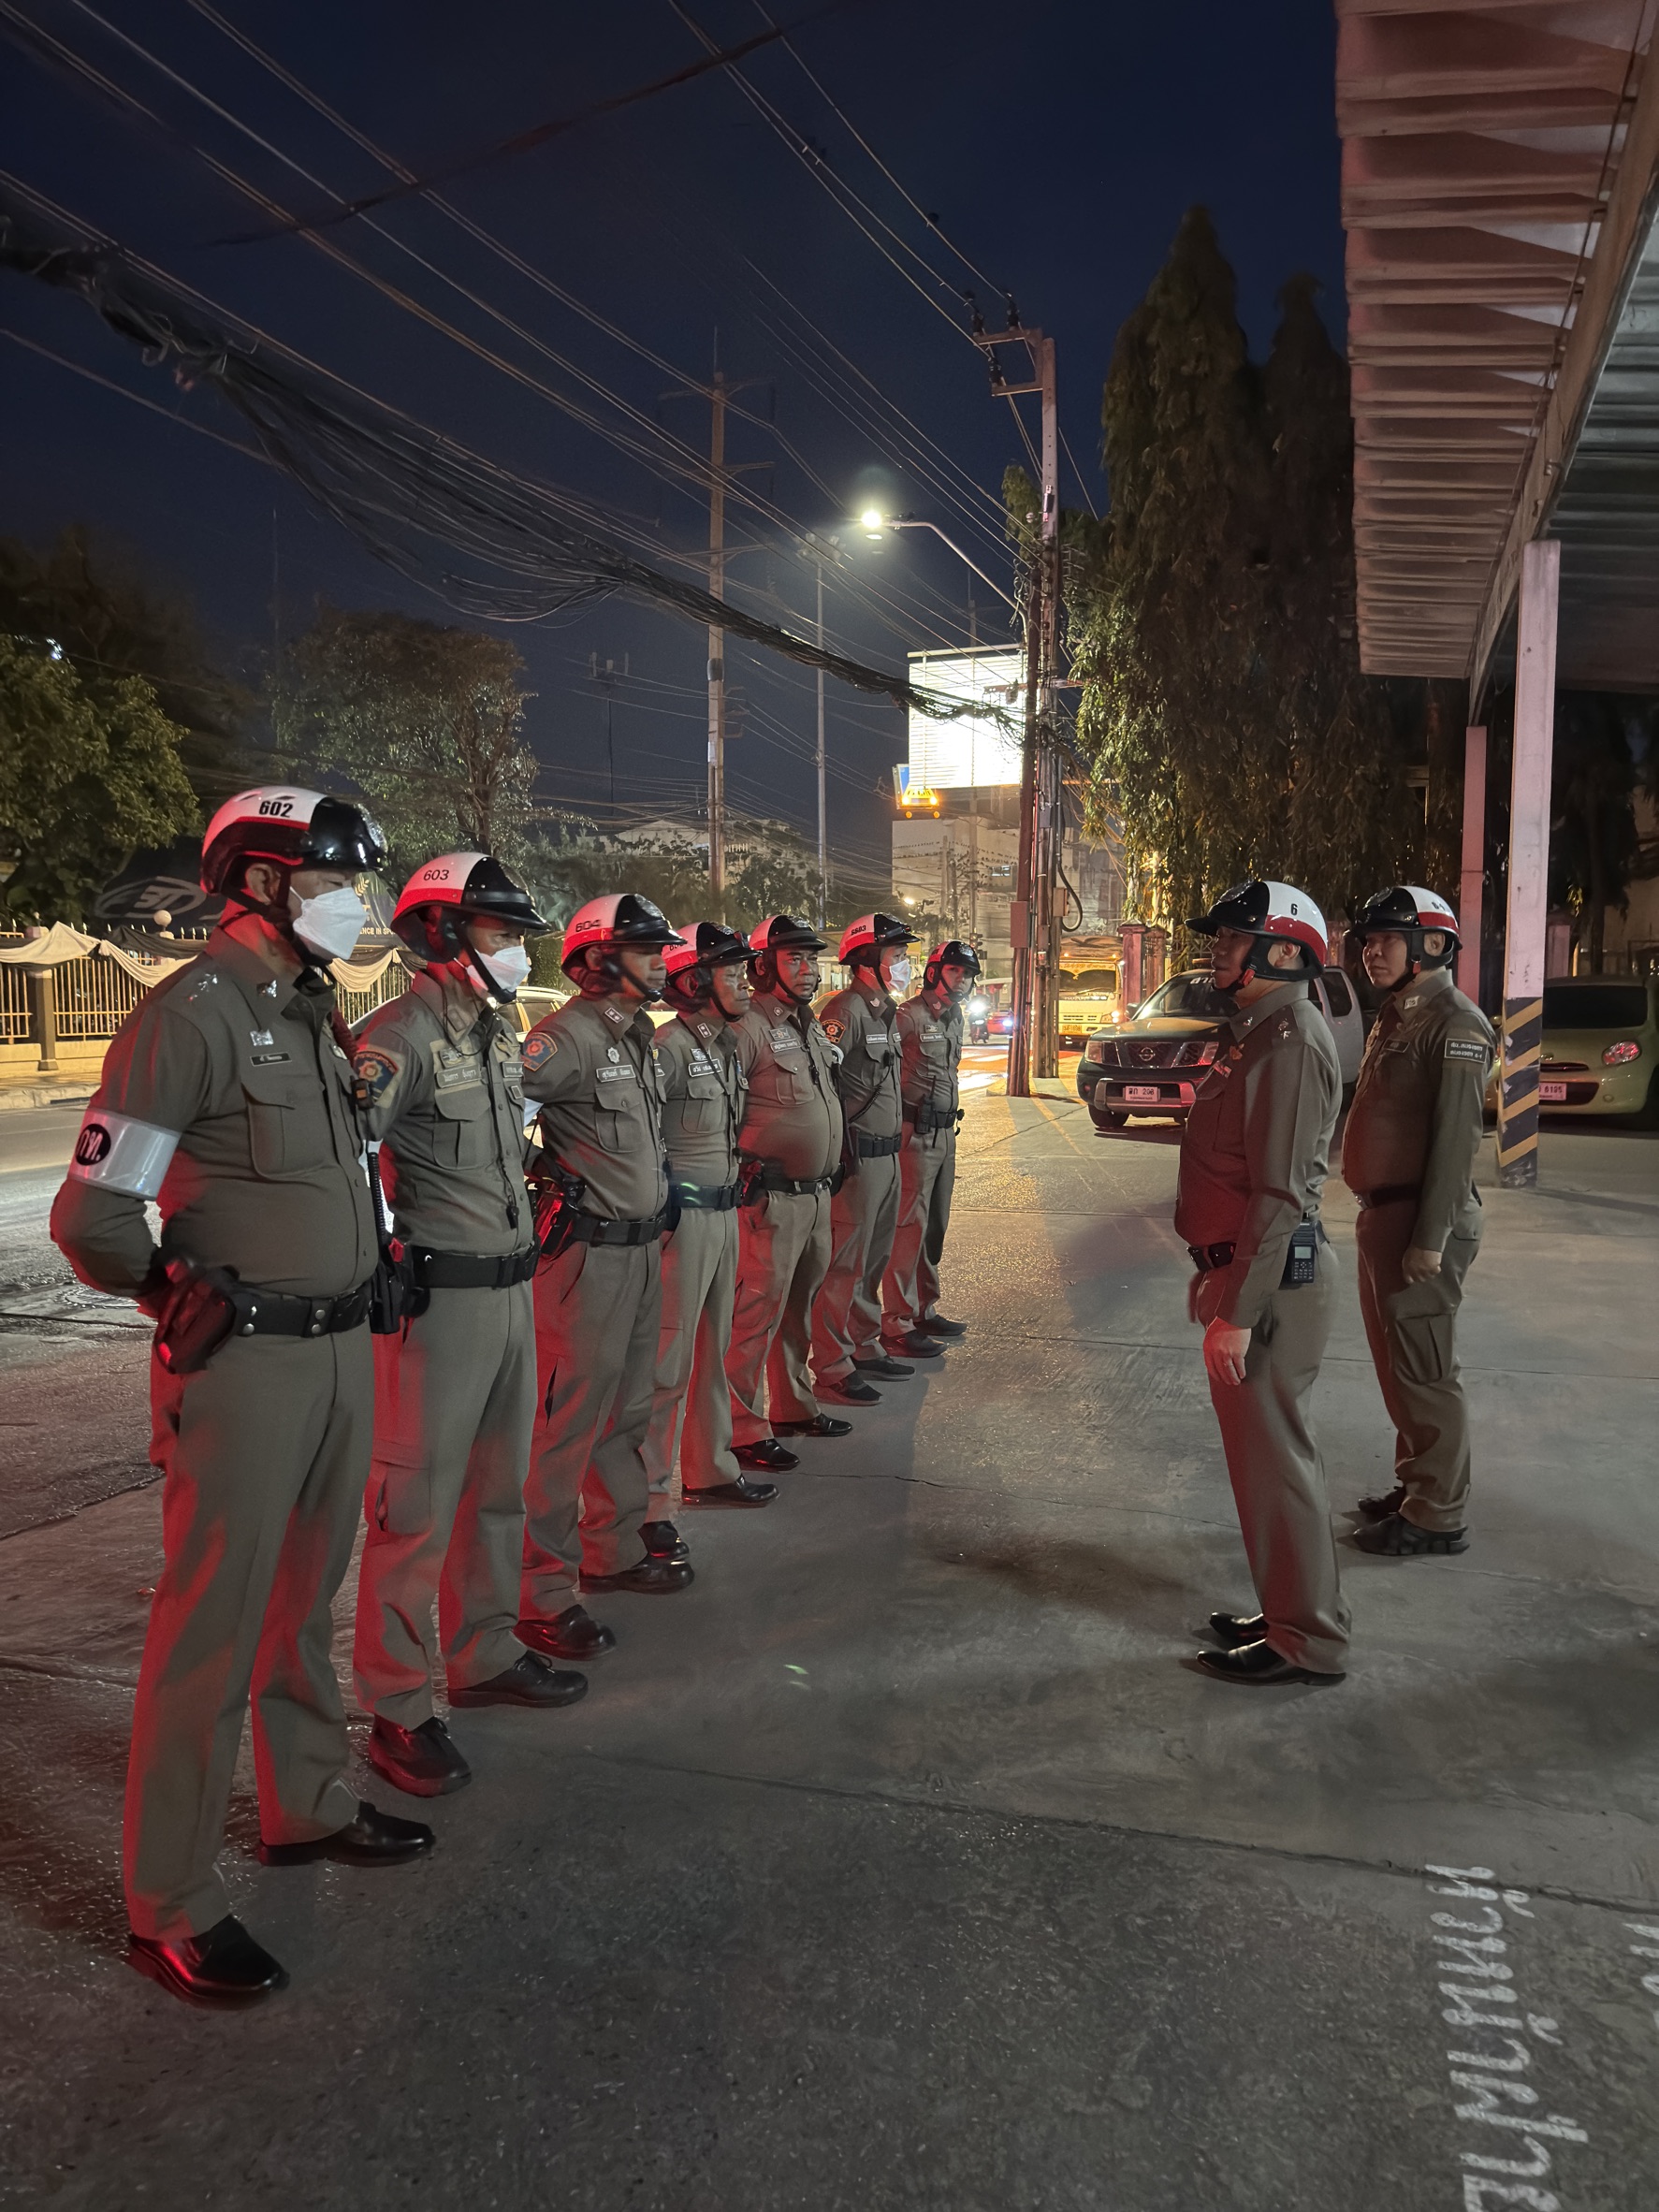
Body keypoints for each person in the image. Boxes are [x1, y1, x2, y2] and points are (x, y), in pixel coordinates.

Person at [51, 786, 433, 2009]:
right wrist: (169, 1291)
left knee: (304, 1600)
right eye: (336, 880)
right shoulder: (191, 1017)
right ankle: (169, 1900)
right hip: (246, 1363)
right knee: (210, 1623)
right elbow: (94, 1213)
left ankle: (304, 1803)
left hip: (338, 1349)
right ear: (265, 882)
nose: (355, 903)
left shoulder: (313, 1013)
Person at [350, 852, 589, 1802]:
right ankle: (398, 1706)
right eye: (502, 934)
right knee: (414, 1511)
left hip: (512, 1291)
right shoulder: (396, 1036)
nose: (520, 953)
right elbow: (348, 1156)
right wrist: (372, 1259)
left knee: (499, 1490)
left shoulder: (498, 1032)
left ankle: (485, 1652)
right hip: (438, 1306)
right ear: (443, 934)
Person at [1173, 880, 1347, 1688]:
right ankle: (1286, 1611)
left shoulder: (1289, 1042)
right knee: (1264, 1461)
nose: (1218, 948)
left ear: (1282, 951)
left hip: (1272, 1284)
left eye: (1233, 937)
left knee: (1276, 1462)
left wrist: (1236, 1312)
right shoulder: (1257, 1035)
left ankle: (1306, 1640)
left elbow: (1280, 1195)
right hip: (1250, 1272)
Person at [517, 893, 692, 1653]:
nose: (661, 960)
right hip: (586, 1261)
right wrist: (540, 1172)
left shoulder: (635, 1036)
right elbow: (493, 1115)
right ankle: (540, 1592)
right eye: (645, 949)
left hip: (640, 1251)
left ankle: (612, 1550)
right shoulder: (565, 1039)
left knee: (627, 1411)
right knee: (565, 1428)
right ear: (595, 959)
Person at [1341, 885, 1495, 1559]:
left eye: (1385, 940)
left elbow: (1456, 1141)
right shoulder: (1399, 1014)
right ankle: (1417, 1484)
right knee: (1398, 1366)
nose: (1370, 952)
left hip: (1418, 1221)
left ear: (1431, 945)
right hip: (1385, 1215)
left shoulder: (1454, 1024)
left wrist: (1429, 1239)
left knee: (1426, 1372)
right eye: (1368, 941)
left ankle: (1437, 1515)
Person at [642, 922, 778, 1514]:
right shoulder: (668, 1048)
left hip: (724, 1216)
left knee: (712, 1354)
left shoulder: (723, 1046)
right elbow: (640, 1135)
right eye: (731, 973)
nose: (745, 983)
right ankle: (645, 1505)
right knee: (666, 1365)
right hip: (685, 1225)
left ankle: (711, 1468)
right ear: (694, 981)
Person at [725, 913, 852, 1455]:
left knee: (798, 1311)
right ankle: (740, 1429)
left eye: (811, 958)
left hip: (816, 1194)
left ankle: (794, 1405)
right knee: (753, 1317)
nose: (807, 969)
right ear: (761, 967)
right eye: (794, 958)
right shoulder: (746, 1027)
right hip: (769, 1200)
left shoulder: (808, 1024)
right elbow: (718, 1116)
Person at [813, 912, 937, 1400]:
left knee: (873, 1259)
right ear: (868, 960)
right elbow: (827, 1086)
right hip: (858, 1159)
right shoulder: (843, 1012)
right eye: (897, 955)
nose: (905, 964)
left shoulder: (886, 1011)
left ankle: (864, 1345)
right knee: (844, 1264)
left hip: (888, 1157)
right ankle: (832, 1363)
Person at [882, 938, 977, 1353]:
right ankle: (896, 1321)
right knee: (908, 1226)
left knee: (934, 1224)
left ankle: (924, 1307)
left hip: (945, 1133)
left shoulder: (955, 1018)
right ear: (935, 972)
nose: (963, 980)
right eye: (955, 970)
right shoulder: (908, 1016)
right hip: (914, 1134)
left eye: (968, 974)